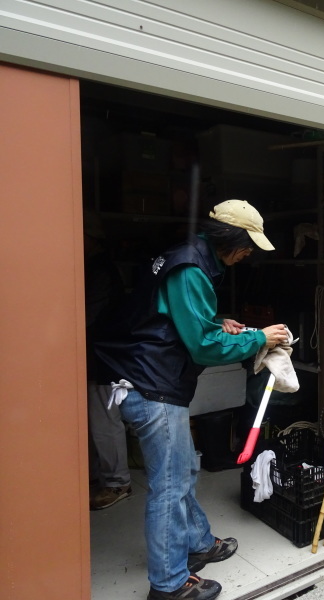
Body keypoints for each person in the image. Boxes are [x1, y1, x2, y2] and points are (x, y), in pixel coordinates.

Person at [95, 199, 289, 600]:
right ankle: (169, 584)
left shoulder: (189, 256)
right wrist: (258, 337)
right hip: (152, 386)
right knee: (169, 484)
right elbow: (202, 347)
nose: (249, 252)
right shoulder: (190, 268)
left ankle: (199, 544)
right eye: (247, 244)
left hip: (152, 380)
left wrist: (219, 323)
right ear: (230, 238)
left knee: (182, 473)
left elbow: (175, 319)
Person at [84, 211, 132, 510]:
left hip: (101, 355)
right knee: (96, 418)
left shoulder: (99, 271)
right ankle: (101, 476)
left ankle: (117, 482)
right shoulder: (93, 267)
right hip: (95, 354)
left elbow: (88, 316)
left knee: (104, 418)